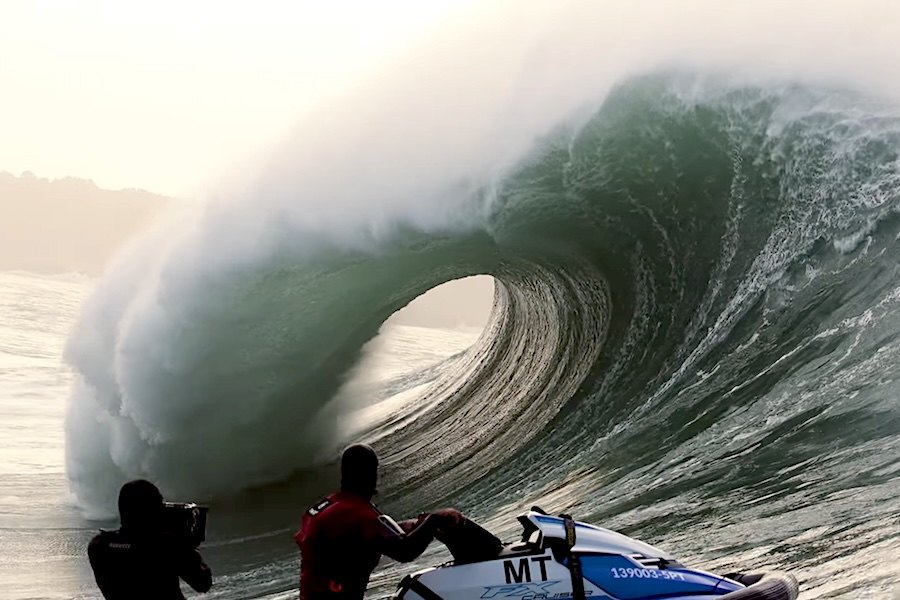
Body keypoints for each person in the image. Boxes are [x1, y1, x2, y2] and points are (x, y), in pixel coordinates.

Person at [295, 444, 464, 600]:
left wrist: (415, 524)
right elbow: (405, 552)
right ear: (368, 475)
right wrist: (434, 521)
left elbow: (374, 532)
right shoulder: (356, 513)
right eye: (374, 471)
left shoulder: (333, 505)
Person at [87, 479, 213, 600]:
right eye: (159, 505)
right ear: (152, 511)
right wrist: (187, 545)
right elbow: (203, 583)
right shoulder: (165, 546)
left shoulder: (99, 545)